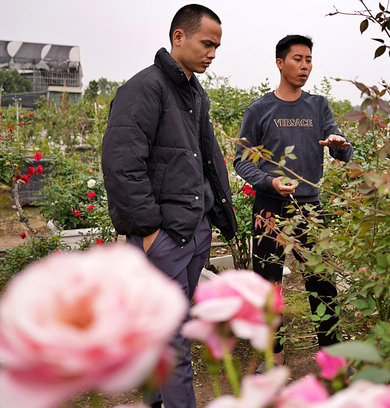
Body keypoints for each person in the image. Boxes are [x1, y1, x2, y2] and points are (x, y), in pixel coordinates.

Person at [101, 4, 236, 408]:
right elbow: (122, 164)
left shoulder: (194, 92)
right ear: (179, 36)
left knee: (166, 336)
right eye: (206, 43)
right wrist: (148, 231)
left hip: (192, 232)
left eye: (218, 46)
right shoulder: (145, 88)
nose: (213, 52)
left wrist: (214, 219)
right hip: (163, 237)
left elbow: (205, 158)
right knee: (175, 343)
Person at [234, 34, 353, 373]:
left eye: (309, 59)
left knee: (322, 283)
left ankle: (332, 357)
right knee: (268, 285)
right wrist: (267, 181)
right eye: (297, 59)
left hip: (309, 209)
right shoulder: (259, 109)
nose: (304, 66)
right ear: (280, 63)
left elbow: (344, 151)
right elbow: (242, 160)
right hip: (269, 209)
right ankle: (274, 358)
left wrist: (339, 144)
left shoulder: (318, 105)